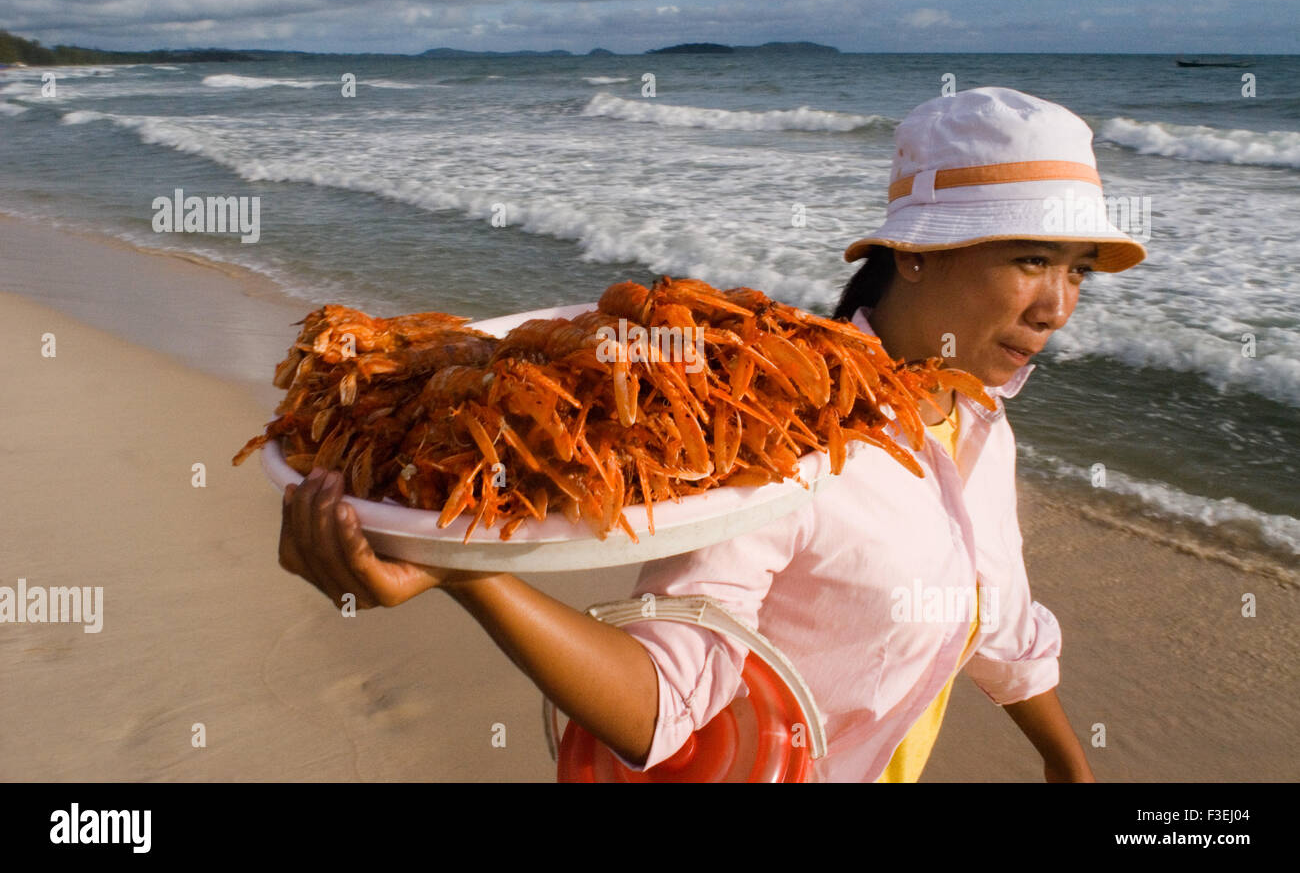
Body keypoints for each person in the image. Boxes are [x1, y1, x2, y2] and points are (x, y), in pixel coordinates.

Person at [277, 86, 1147, 782]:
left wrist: (1065, 761)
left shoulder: (979, 419)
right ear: (914, 253)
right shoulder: (781, 439)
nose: (1059, 308)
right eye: (1031, 260)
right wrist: (468, 570)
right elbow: (666, 702)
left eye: (1077, 272)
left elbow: (997, 619)